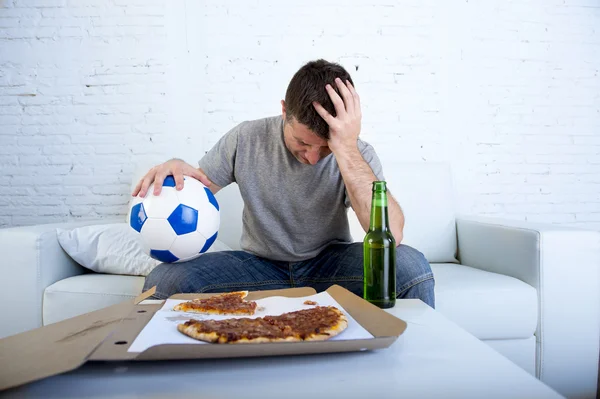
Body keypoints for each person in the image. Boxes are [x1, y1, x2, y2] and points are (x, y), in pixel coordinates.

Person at [133, 59, 435, 308]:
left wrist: (345, 149)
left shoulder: (357, 154)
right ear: (283, 111)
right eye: (303, 142)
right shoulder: (246, 138)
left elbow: (390, 235)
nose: (314, 158)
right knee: (164, 282)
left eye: (325, 147)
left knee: (411, 270)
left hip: (330, 264)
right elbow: (197, 193)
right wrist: (175, 173)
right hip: (259, 266)